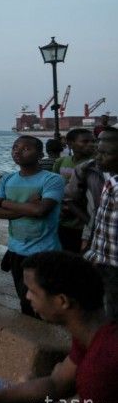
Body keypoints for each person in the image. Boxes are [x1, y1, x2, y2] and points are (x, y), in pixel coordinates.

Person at [0, 251, 117, 403]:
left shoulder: (101, 363)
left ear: (62, 301)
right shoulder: (91, 333)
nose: (27, 296)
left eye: (33, 291)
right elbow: (57, 384)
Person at [0, 136, 65, 317]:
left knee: (44, 303)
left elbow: (41, 211)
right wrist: (28, 207)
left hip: (44, 252)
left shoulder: (52, 179)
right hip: (16, 250)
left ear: (40, 154)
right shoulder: (7, 179)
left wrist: (7, 204)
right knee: (25, 300)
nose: (17, 151)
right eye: (15, 147)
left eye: (25, 149)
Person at [84, 127, 118, 321]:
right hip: (103, 261)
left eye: (105, 153)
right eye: (98, 150)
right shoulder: (111, 180)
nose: (98, 157)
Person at [53, 129, 96, 253]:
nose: (91, 144)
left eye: (93, 141)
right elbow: (53, 189)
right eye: (85, 141)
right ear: (70, 143)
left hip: (85, 224)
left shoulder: (94, 165)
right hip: (62, 223)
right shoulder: (60, 162)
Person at [64, 158, 107, 253]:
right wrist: (91, 224)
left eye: (105, 153)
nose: (100, 156)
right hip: (91, 231)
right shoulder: (88, 168)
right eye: (100, 151)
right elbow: (69, 198)